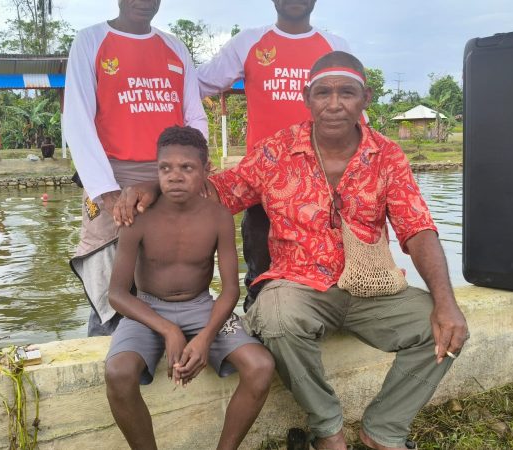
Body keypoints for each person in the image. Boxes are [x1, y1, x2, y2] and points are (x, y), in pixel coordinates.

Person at [115, 52, 469, 450]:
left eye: (347, 93)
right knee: (277, 318)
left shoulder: (388, 156)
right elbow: (215, 190)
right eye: (323, 93)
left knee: (442, 327)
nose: (334, 104)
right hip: (297, 287)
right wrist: (149, 187)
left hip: (370, 287)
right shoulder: (275, 152)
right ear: (307, 97)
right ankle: (328, 431)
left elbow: (418, 229)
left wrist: (445, 302)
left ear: (365, 98)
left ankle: (384, 430)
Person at [105, 125, 274, 450]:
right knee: (118, 373)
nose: (175, 177)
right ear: (156, 171)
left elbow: (229, 291)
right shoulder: (138, 218)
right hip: (147, 311)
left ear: (206, 171)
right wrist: (169, 330)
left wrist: (206, 336)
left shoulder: (219, 218)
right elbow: (117, 294)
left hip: (201, 307)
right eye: (165, 168)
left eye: (187, 168)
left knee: (261, 366)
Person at [63, 0, 208, 337]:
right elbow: (78, 120)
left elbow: (194, 114)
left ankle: (168, 338)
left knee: (170, 263)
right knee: (110, 276)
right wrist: (107, 192)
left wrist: (193, 169)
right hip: (113, 173)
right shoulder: (90, 41)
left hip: (169, 176)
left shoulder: (174, 46)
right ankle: (108, 349)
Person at [197, 0, 350, 311]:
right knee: (260, 278)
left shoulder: (335, 45)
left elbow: (352, 106)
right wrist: (191, 145)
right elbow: (195, 83)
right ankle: (257, 345)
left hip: (325, 186)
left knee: (330, 275)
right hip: (262, 187)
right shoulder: (249, 42)